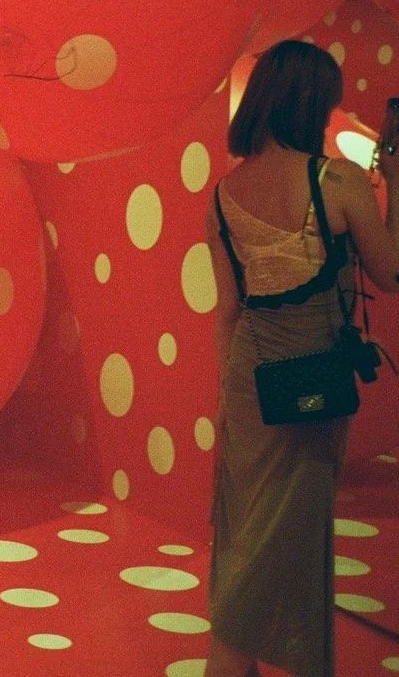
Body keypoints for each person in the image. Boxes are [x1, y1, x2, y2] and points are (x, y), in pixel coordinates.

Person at [203, 40, 399, 677]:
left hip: (248, 373)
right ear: (310, 103)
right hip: (310, 370)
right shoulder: (335, 178)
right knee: (294, 530)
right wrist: (394, 180)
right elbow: (391, 271)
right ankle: (232, 655)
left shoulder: (223, 193)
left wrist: (222, 400)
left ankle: (233, 658)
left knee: (248, 527)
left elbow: (228, 309)